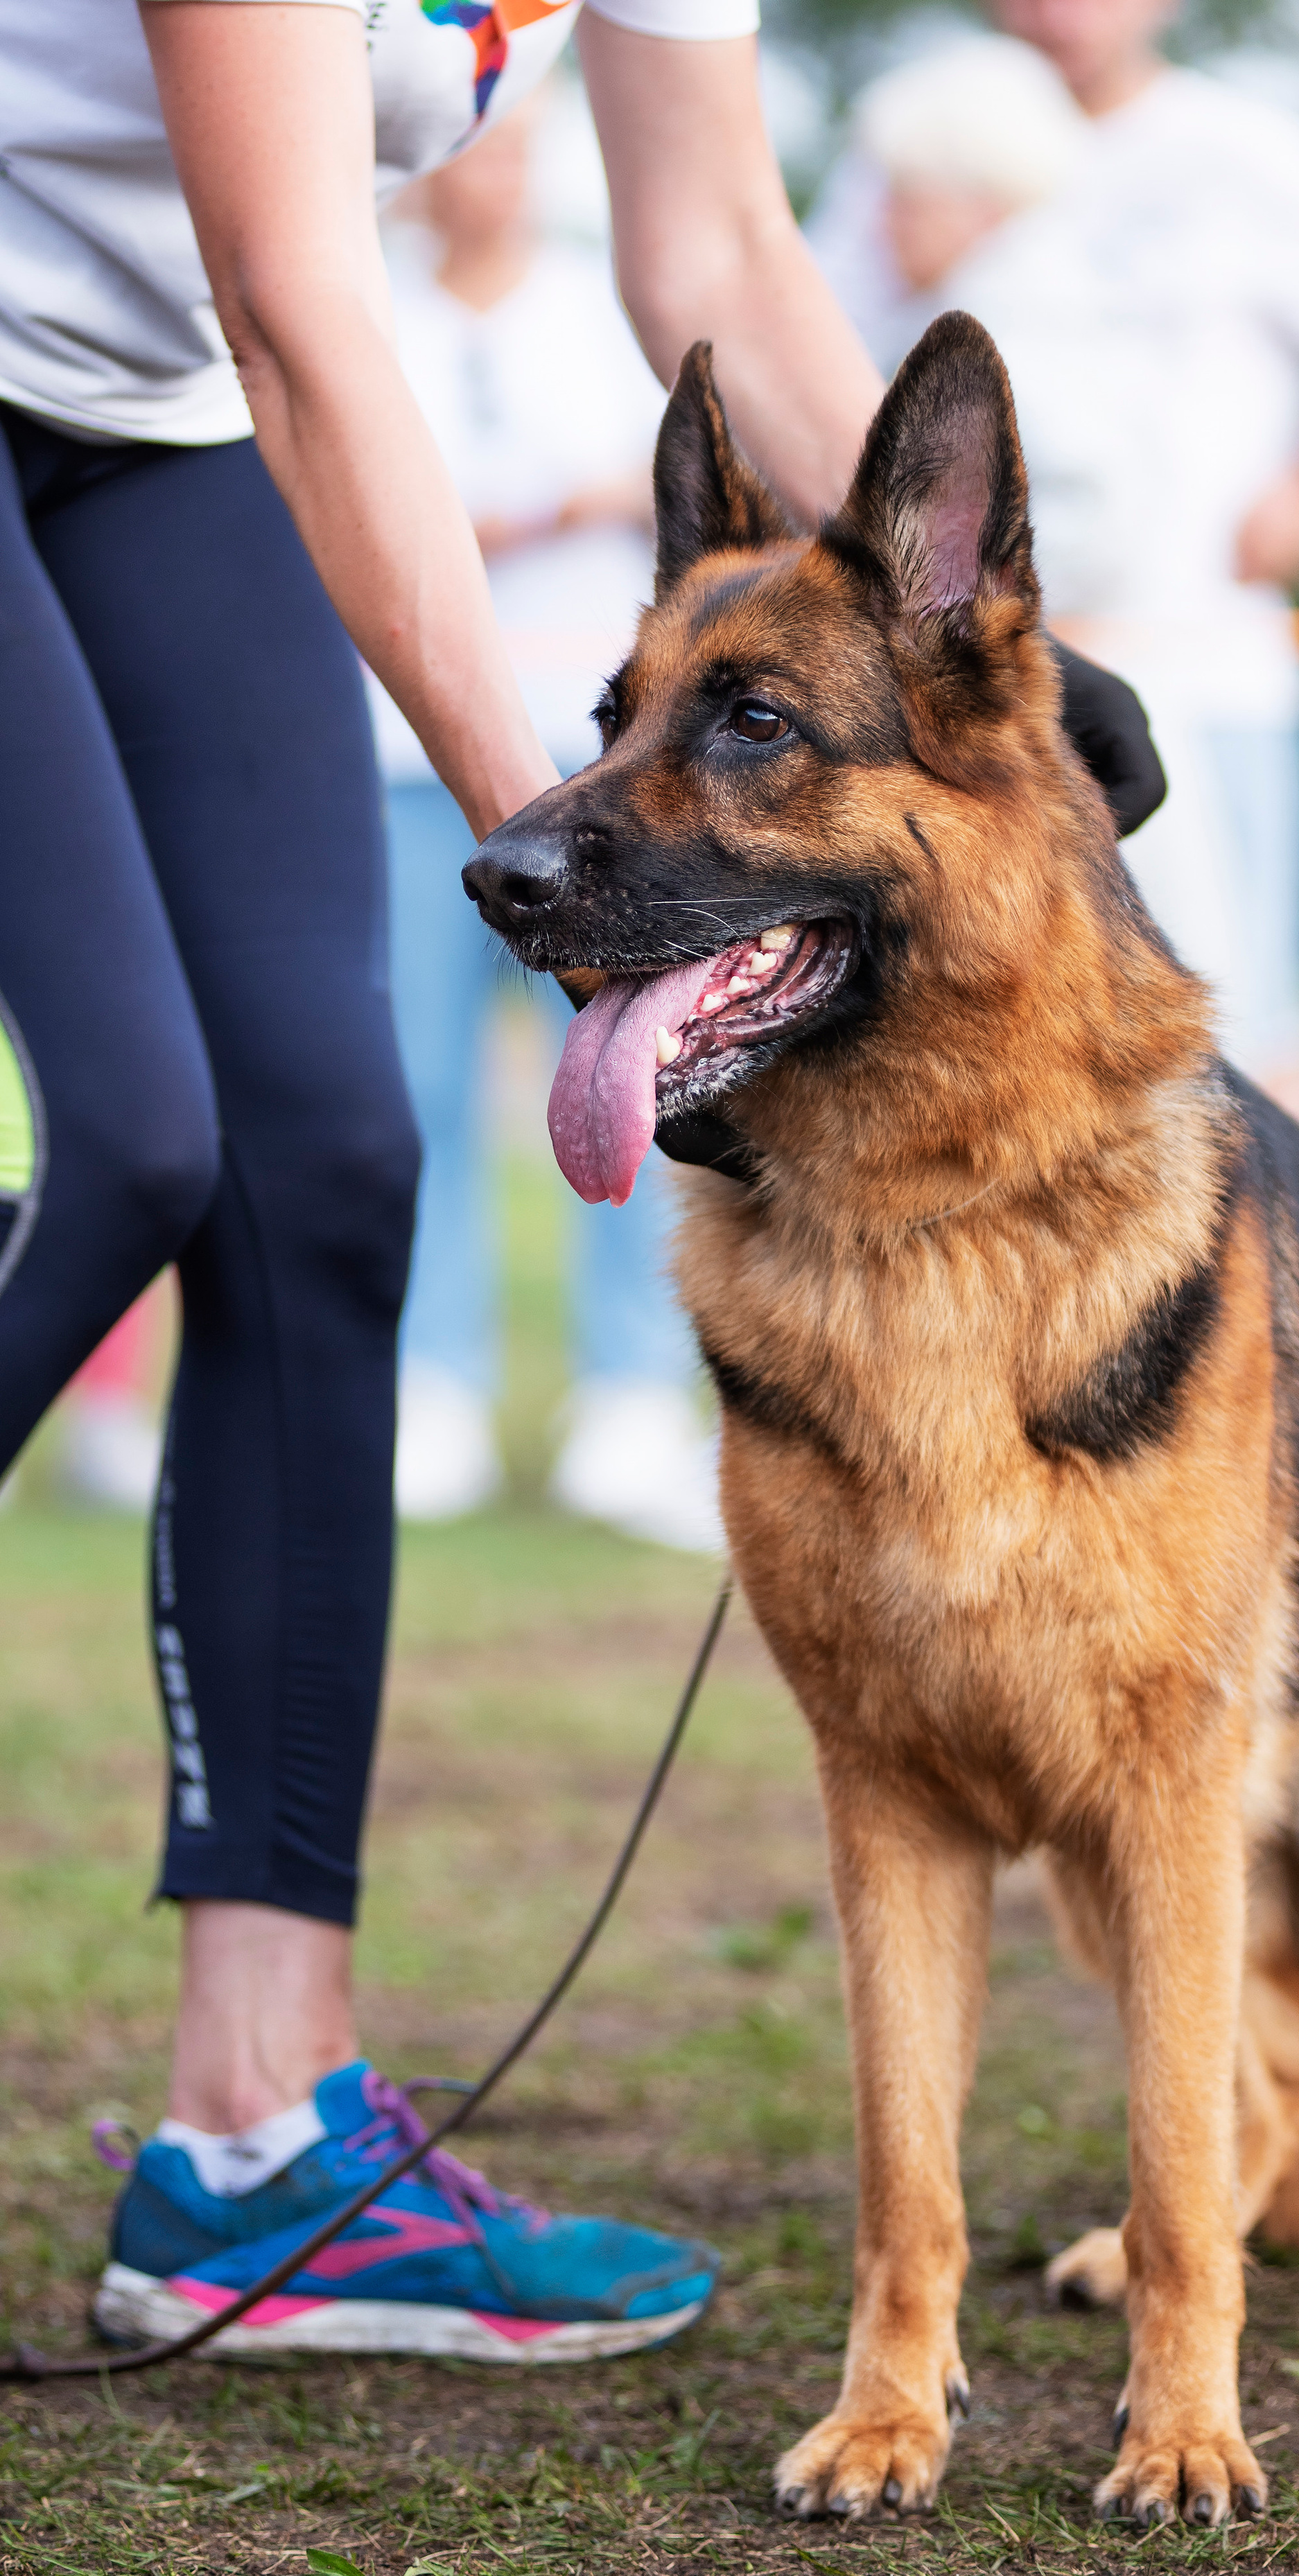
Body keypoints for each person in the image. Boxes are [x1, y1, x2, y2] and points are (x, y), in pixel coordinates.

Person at [0, 0, 1158, 2359]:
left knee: (322, 1166)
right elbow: (301, 298)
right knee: (133, 1134)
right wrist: (579, 840)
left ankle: (251, 2147)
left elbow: (716, 235)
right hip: (210, 345)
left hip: (142, 412)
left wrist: (990, 678)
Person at [812, 0, 1299, 1149]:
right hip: (998, 707)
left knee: (1242, 1021)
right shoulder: (921, 132)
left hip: (1201, 670)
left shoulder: (1238, 152)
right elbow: (806, 344)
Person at [376, 102, 718, 1543]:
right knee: (416, 1086)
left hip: (598, 784)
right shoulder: (368, 312)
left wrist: (567, 504)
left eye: (507, 155)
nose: (487, 183)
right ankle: (427, 1385)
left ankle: (631, 1400)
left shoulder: (598, 320)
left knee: (634, 1077)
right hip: (392, 761)